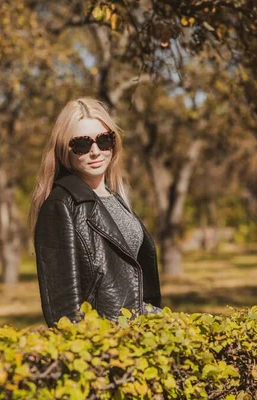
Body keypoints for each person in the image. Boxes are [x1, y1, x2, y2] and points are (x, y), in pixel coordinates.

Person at [28, 97, 162, 328]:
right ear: (64, 150)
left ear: (114, 143)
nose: (95, 151)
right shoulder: (61, 206)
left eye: (103, 140)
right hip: (108, 344)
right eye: (81, 144)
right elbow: (63, 309)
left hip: (141, 337)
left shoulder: (115, 197)